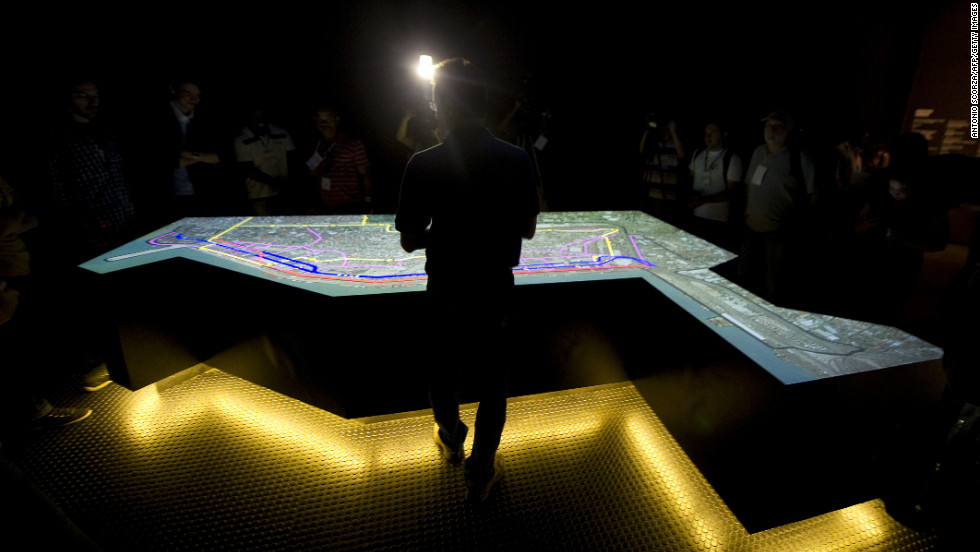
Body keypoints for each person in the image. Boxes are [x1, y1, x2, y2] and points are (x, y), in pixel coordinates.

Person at [395, 58, 539, 503]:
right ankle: (480, 471)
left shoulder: (422, 163)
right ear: (484, 101)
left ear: (440, 104)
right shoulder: (517, 159)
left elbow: (409, 240)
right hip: (495, 290)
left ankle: (451, 435)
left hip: (446, 292)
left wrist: (447, 230)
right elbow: (528, 229)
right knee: (493, 383)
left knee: (443, 372)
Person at [738, 111, 816, 304]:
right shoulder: (758, 152)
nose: (771, 129)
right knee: (744, 275)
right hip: (751, 225)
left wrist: (801, 223)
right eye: (768, 125)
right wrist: (746, 210)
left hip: (780, 230)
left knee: (775, 282)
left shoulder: (799, 158)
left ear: (788, 129)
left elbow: (813, 194)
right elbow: (749, 184)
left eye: (777, 125)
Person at [306, 106, 373, 214]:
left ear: (336, 120)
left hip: (350, 205)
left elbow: (365, 174)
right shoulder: (316, 145)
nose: (324, 123)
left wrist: (368, 201)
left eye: (328, 119)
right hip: (324, 206)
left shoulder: (353, 144)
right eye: (319, 120)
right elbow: (312, 172)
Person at [687, 121, 743, 249]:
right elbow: (691, 178)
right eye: (706, 133)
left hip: (717, 219)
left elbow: (732, 191)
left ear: (724, 135)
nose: (708, 136)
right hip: (695, 216)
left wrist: (703, 200)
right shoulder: (698, 153)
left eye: (713, 133)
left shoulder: (732, 158)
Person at [233, 104, 296, 216]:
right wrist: (277, 183)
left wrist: (288, 184)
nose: (259, 122)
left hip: (283, 192)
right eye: (255, 117)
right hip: (258, 194)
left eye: (261, 116)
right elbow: (247, 168)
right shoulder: (242, 138)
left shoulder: (281, 132)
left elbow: (293, 159)